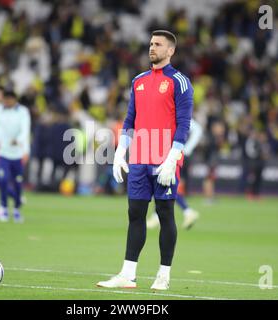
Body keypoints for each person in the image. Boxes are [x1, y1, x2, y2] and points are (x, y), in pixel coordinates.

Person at [97, 30, 193, 291]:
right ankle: (128, 274)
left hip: (165, 158)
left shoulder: (180, 82)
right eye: (151, 43)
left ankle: (164, 275)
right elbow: (130, 120)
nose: (152, 47)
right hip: (139, 156)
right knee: (135, 214)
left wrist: (173, 157)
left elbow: (184, 124)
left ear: (170, 51)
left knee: (165, 213)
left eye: (158, 44)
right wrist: (120, 152)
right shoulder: (138, 80)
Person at [0, 89, 31, 222]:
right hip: (2, 151)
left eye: (9, 99)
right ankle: (3, 208)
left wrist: (21, 143)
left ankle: (16, 209)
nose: (7, 102)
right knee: (2, 179)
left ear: (14, 100)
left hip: (17, 153)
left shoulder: (23, 111)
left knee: (18, 182)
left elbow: (25, 130)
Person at [146, 118, 203, 229]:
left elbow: (197, 130)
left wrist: (186, 149)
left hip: (176, 155)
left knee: (166, 183)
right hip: (171, 154)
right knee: (163, 183)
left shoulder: (178, 114)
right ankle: (157, 216)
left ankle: (187, 211)